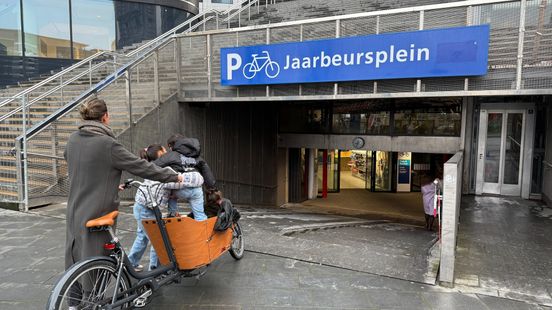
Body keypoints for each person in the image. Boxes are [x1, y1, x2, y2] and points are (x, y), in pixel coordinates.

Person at [63, 98, 184, 272]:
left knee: (75, 256)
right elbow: (141, 167)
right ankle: (94, 297)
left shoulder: (73, 139)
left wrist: (106, 181)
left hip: (74, 209)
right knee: (95, 257)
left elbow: (77, 160)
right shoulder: (107, 144)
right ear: (105, 117)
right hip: (97, 210)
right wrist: (173, 176)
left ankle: (73, 297)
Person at [128, 144, 204, 271]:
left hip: (140, 206)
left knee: (142, 237)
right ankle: (155, 269)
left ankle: (132, 263)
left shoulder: (154, 167)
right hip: (146, 210)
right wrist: (197, 178)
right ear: (161, 154)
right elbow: (185, 182)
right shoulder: (166, 171)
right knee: (158, 241)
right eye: (166, 151)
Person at [154, 135, 217, 221]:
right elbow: (207, 172)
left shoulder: (171, 155)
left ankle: (172, 215)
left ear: (171, 146)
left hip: (179, 190)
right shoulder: (197, 156)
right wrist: (211, 187)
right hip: (197, 190)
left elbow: (155, 166)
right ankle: (204, 231)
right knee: (200, 215)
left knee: (169, 188)